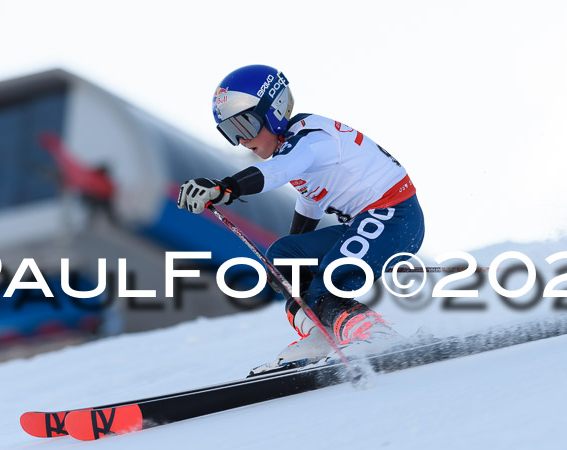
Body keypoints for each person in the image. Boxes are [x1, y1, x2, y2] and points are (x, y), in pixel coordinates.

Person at [178, 65, 425, 369]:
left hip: (393, 217)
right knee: (284, 256)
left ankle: (377, 333)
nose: (242, 140)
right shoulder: (293, 146)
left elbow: (277, 171)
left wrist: (224, 188)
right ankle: (324, 335)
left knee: (327, 288)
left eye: (245, 125)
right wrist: (287, 265)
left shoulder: (311, 139)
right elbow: (310, 204)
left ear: (274, 111)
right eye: (231, 133)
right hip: (368, 222)